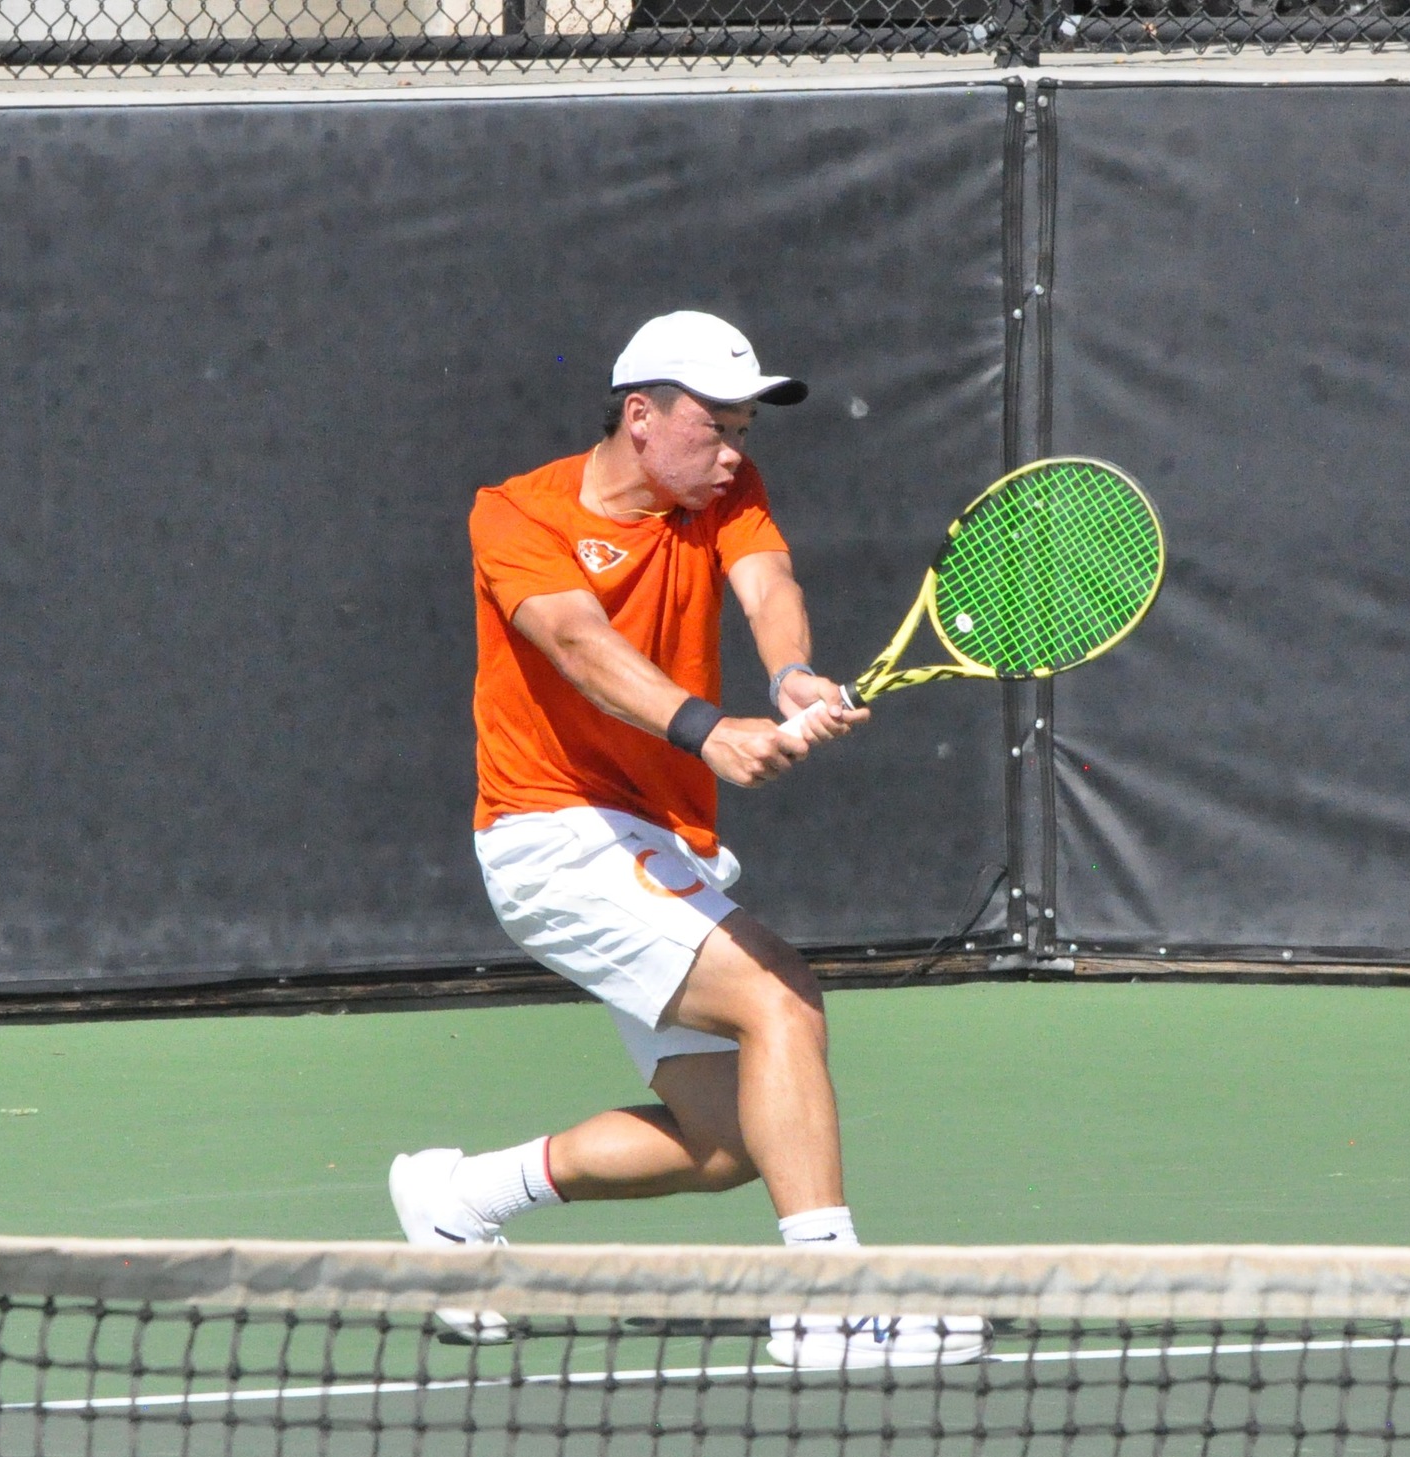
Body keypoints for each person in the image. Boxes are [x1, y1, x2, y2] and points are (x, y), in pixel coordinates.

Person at [388, 311, 983, 1369]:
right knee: (780, 995)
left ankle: (459, 1196)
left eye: (745, 430)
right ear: (640, 415)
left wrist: (791, 674)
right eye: (715, 426)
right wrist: (707, 730)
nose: (733, 453)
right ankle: (826, 1304)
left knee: (725, 1144)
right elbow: (576, 642)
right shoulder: (514, 515)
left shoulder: (723, 493)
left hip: (661, 839)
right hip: (553, 834)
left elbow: (770, 586)